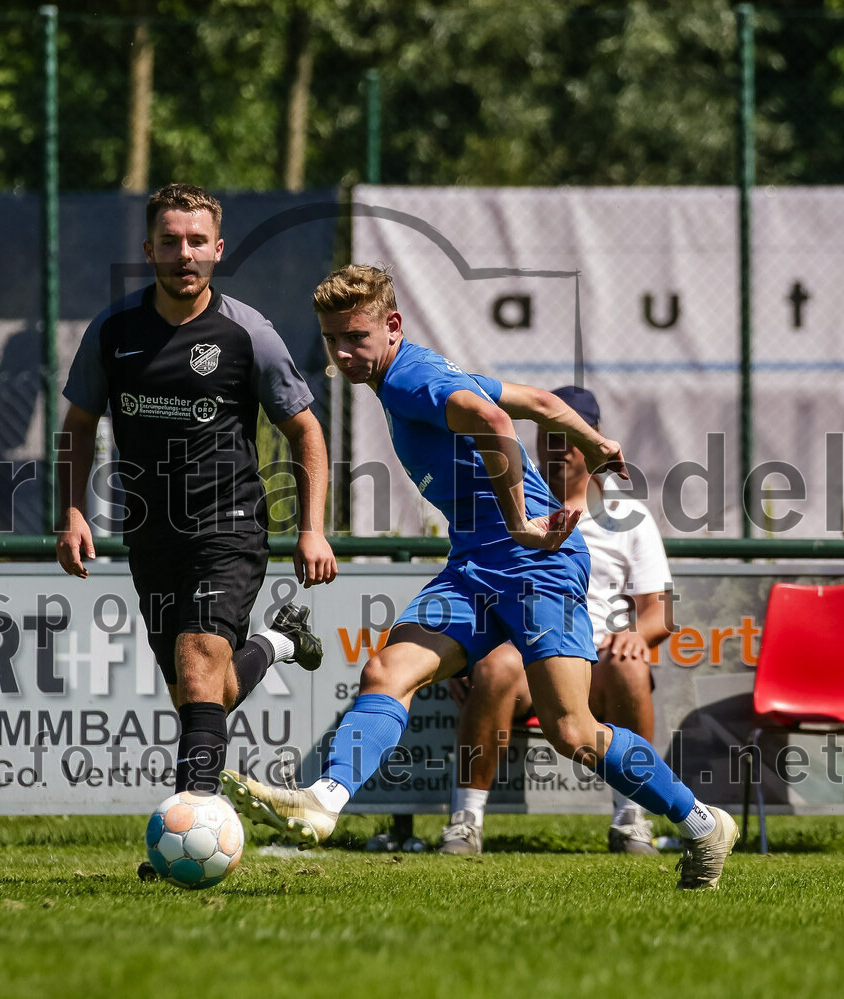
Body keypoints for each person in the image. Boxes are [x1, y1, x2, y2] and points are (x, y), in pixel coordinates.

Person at [221, 264, 738, 890]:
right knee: (387, 670)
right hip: (474, 565)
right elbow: (543, 405)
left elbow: (497, 425)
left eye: (356, 336)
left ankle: (704, 823)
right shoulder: (427, 369)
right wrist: (594, 441)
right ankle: (325, 799)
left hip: (535, 565)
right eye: (332, 340)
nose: (344, 353)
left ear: (392, 327)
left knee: (573, 730)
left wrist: (521, 521)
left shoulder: (411, 380)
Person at [56, 184, 338, 811]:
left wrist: (312, 528)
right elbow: (77, 426)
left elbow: (306, 429)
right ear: (148, 248)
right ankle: (279, 643)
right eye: (171, 241)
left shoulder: (247, 333)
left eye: (197, 242)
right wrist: (73, 512)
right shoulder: (113, 331)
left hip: (229, 526)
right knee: (201, 688)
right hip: (150, 533)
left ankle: (193, 820)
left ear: (218, 248)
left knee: (198, 662)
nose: (184, 253)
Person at [440, 385, 674, 856]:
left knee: (631, 665)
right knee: (496, 666)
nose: (559, 445)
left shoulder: (629, 517)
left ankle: (631, 818)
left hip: (599, 657)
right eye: (549, 433)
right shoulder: (506, 508)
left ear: (593, 439)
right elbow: (469, 587)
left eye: (570, 433)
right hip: (526, 657)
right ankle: (465, 821)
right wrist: (465, 653)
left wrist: (635, 635)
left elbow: (660, 614)